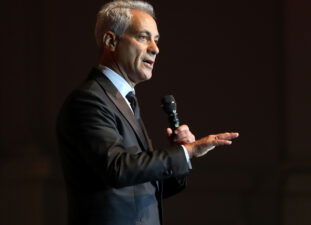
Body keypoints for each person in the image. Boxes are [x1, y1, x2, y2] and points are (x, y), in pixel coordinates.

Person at [56, 1, 239, 225]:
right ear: (111, 41)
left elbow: (144, 186)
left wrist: (179, 157)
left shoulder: (123, 100)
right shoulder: (89, 100)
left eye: (156, 40)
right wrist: (187, 152)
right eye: (143, 37)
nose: (155, 48)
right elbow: (118, 169)